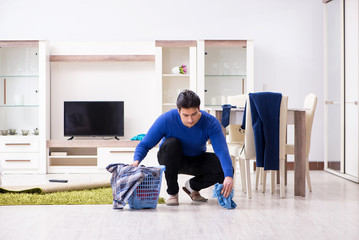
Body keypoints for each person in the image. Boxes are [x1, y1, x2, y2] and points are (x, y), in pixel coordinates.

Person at [131, 89, 233, 206]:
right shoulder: (166, 119)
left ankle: (192, 186)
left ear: (199, 108)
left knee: (226, 169)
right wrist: (136, 161)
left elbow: (222, 151)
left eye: (194, 114)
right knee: (171, 144)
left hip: (196, 159)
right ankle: (173, 193)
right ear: (178, 110)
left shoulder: (210, 122)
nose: (190, 120)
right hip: (171, 158)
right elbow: (145, 144)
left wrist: (228, 176)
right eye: (185, 115)